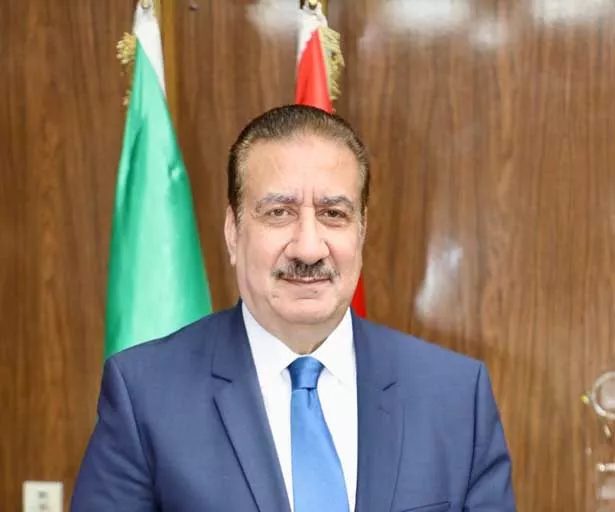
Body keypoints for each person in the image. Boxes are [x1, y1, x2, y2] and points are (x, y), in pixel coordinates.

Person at [72, 105, 516, 511]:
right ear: (233, 231)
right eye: (279, 213)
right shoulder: (145, 395)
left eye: (333, 214)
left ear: (361, 232)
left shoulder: (457, 397)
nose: (308, 248)